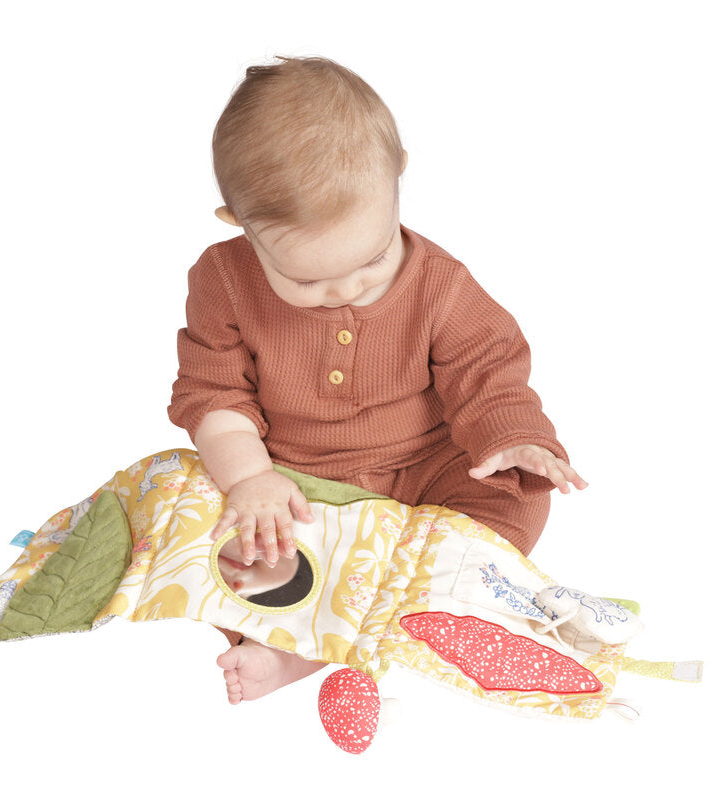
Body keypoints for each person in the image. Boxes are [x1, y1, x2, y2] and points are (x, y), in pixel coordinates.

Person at [168, 56, 588, 704]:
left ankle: (443, 606)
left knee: (513, 499)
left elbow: (486, 368)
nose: (346, 289)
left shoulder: (440, 284)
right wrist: (251, 481)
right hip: (301, 485)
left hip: (428, 469)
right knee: (221, 537)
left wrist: (512, 437)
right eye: (307, 279)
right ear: (239, 224)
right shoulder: (223, 281)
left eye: (372, 259)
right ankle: (294, 649)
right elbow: (213, 393)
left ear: (398, 179)